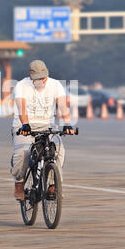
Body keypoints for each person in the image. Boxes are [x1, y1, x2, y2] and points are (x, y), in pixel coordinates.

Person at [11, 59, 76, 201]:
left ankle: (53, 185)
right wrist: (25, 125)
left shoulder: (55, 85)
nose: (41, 81)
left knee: (59, 151)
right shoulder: (22, 85)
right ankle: (19, 182)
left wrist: (67, 123)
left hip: (47, 125)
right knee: (23, 153)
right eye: (37, 78)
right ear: (30, 76)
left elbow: (63, 105)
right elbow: (21, 106)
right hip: (24, 126)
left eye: (43, 78)